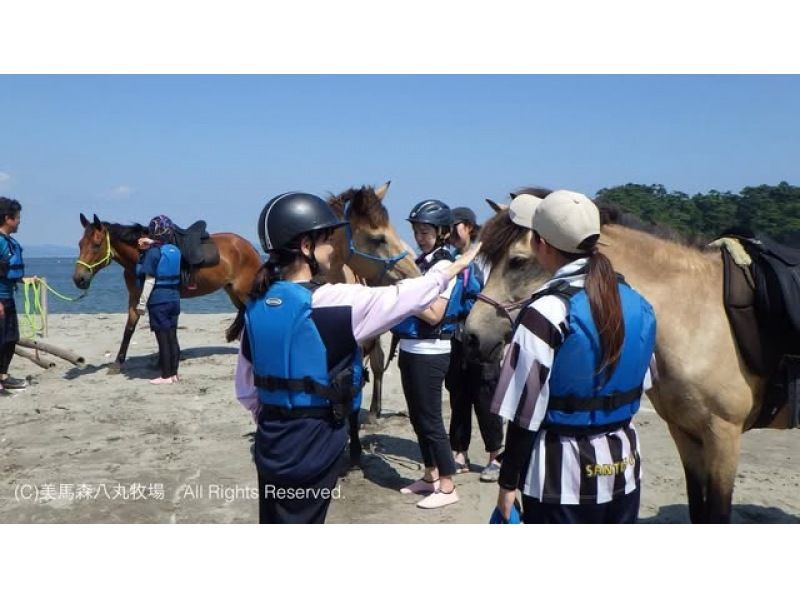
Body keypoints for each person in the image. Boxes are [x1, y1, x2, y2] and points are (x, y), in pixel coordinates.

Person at [232, 192, 479, 524]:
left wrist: (276, 418)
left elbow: (246, 390)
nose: (333, 248)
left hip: (272, 438)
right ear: (306, 247)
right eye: (325, 241)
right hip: (314, 438)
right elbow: (402, 296)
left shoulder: (256, 303)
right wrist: (459, 264)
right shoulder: (334, 301)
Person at [492, 190, 657, 524]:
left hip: (560, 480)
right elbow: (645, 381)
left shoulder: (546, 311)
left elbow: (524, 415)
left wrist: (508, 482)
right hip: (623, 469)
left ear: (540, 243)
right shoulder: (639, 302)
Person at [391, 199, 465, 509]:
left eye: (425, 231)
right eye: (417, 231)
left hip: (431, 351)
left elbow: (435, 314)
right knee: (419, 419)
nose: (420, 237)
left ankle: (447, 486)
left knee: (431, 419)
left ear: (443, 231)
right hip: (411, 348)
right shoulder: (423, 261)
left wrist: (407, 294)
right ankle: (430, 475)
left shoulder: (444, 265)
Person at [445, 206, 505, 481]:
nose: (450, 233)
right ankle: (459, 451)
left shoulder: (486, 258)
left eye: (454, 226)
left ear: (468, 226)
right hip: (456, 336)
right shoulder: (449, 258)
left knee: (486, 396)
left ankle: (495, 455)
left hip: (483, 337)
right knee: (458, 395)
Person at [135, 215, 182, 385]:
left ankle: (166, 375)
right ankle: (174, 373)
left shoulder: (153, 253)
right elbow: (163, 247)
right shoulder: (175, 250)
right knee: (172, 336)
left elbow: (149, 280)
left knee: (163, 339)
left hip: (158, 300)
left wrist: (141, 303)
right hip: (174, 299)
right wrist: (151, 243)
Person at [0, 197, 28, 392]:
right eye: (17, 217)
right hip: (0, 299)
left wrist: (24, 279)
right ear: (7, 218)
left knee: (11, 338)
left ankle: (3, 375)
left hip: (8, 297)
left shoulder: (10, 242)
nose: (19, 221)